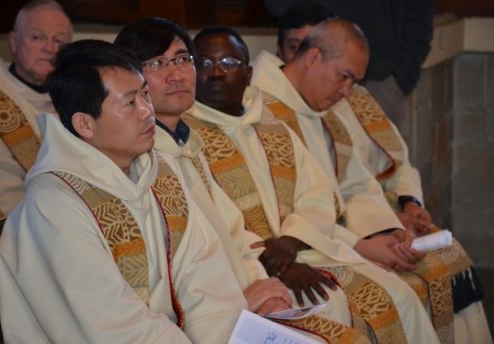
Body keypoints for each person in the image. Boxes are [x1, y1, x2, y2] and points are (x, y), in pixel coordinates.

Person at [113, 17, 369, 343]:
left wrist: (265, 284)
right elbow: (171, 276)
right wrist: (245, 299)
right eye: (157, 63)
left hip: (240, 294)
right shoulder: (140, 164)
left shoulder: (185, 145)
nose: (175, 74)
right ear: (130, 80)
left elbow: (232, 231)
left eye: (181, 60)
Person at [188, 24, 441, 343]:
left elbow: (320, 194)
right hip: (249, 267)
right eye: (202, 63)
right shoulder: (186, 137)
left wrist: (293, 240)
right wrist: (273, 263)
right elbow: (211, 219)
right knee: (332, 307)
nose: (215, 74)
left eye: (228, 64)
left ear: (248, 74)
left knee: (400, 296)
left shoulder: (268, 122)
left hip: (303, 247)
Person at [253, 11, 493, 344]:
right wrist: (363, 246)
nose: (347, 92)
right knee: (399, 298)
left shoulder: (325, 108)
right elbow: (287, 208)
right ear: (312, 57)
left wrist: (392, 232)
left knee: (444, 264)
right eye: (343, 77)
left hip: (338, 236)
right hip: (303, 244)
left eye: (354, 82)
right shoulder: (260, 112)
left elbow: (356, 184)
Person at [0, 39, 248, 343]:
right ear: (85, 124)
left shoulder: (162, 173)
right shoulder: (53, 205)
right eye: (130, 103)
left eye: (145, 95)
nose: (147, 112)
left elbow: (206, 278)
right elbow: (108, 324)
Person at [263, 0, 434, 145]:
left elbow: (418, 14)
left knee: (384, 170)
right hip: (312, 77)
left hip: (381, 81)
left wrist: (401, 78)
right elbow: (277, 5)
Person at [0, 0, 73, 219]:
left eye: (59, 40)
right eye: (36, 37)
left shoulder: (77, 102)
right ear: (14, 42)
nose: (49, 48)